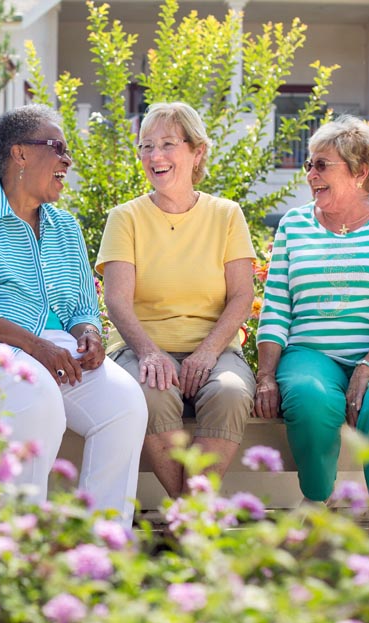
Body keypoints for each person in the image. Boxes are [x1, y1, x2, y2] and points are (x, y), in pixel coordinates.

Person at [0, 104, 148, 520]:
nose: (67, 160)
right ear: (19, 154)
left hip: (47, 356)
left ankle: (101, 553)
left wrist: (89, 332)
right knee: (37, 400)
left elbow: (81, 304)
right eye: (57, 147)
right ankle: (18, 553)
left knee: (126, 404)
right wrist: (35, 345)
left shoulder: (66, 228)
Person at [254, 115, 369, 528]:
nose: (310, 174)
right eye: (309, 165)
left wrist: (367, 367)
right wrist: (265, 375)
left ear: (359, 172)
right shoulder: (294, 225)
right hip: (312, 351)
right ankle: (317, 496)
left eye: (321, 165)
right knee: (311, 400)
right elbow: (277, 307)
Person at [97, 102, 257, 497]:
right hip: (140, 347)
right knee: (150, 393)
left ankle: (188, 516)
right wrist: (150, 353)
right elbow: (117, 300)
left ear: (196, 151)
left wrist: (207, 353)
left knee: (231, 393)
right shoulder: (125, 218)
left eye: (168, 144)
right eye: (146, 146)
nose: (155, 156)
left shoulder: (226, 215)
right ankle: (191, 514)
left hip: (215, 348)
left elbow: (241, 295)